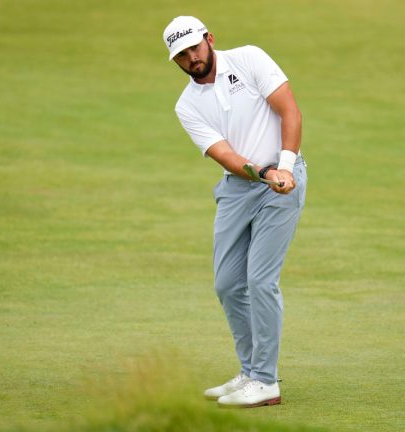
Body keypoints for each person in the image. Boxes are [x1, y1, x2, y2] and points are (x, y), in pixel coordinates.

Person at [162, 16, 307, 408]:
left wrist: (286, 167)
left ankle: (266, 381)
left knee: (260, 280)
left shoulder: (249, 59)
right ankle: (250, 371)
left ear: (209, 39)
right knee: (227, 284)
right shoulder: (187, 104)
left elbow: (290, 112)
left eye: (194, 47)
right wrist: (263, 173)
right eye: (181, 55)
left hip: (285, 179)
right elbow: (224, 154)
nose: (191, 58)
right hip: (241, 186)